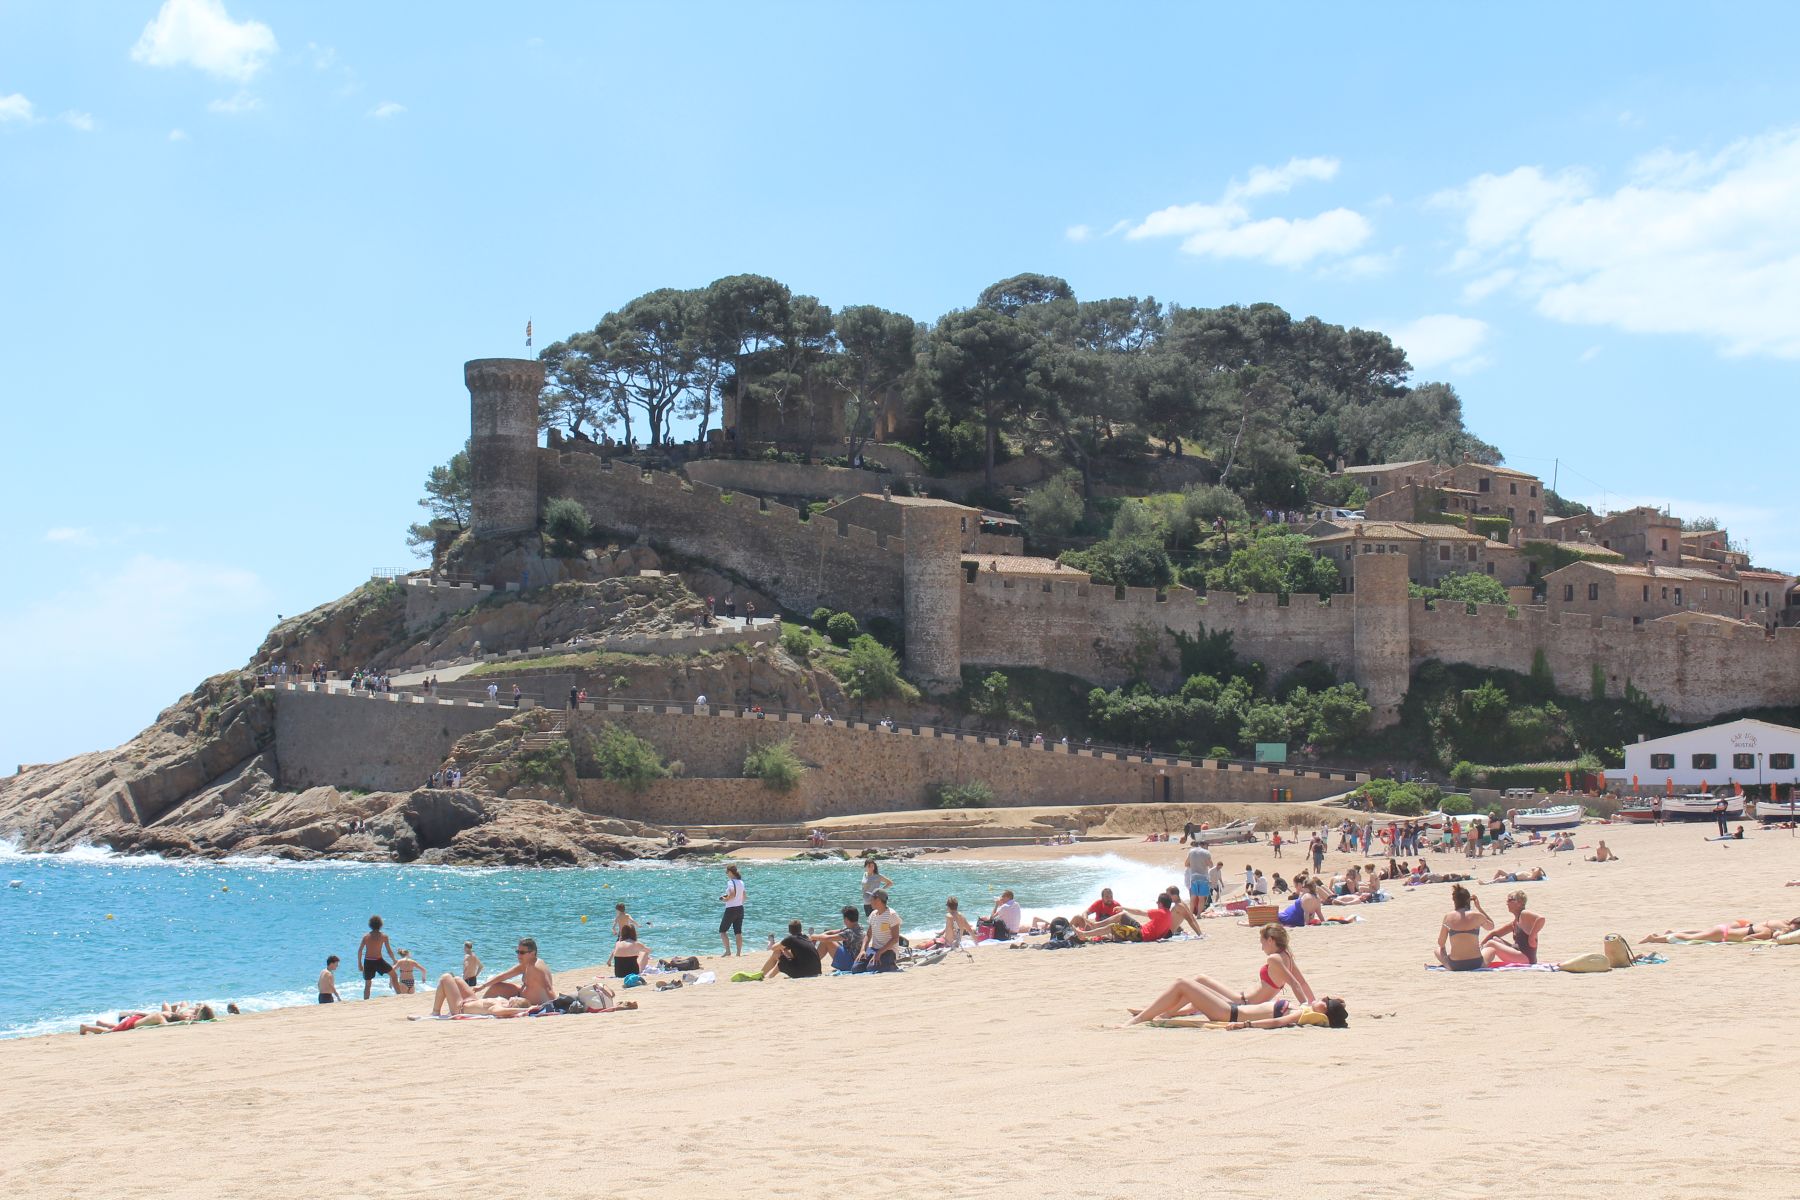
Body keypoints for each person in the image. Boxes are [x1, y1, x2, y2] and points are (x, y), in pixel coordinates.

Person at [1124, 976, 1348, 1028]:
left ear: (1325, 1012)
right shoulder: (1310, 1010)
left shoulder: (1304, 1015)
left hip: (1230, 1014)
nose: (1322, 999)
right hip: (1232, 1009)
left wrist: (1245, 1025)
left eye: (1325, 1002)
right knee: (1191, 986)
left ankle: (1140, 1018)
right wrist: (1337, 1002)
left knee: (1183, 984)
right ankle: (1153, 1012)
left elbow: (1277, 1023)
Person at [468, 937, 556, 1006]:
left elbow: (548, 988)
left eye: (522, 952)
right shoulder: (526, 964)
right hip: (520, 994)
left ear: (532, 953)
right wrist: (482, 986)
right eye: (517, 952)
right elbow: (504, 976)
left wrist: (556, 1006)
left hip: (532, 1003)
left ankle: (478, 1006)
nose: (518, 955)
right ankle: (479, 1005)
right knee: (496, 986)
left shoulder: (537, 967)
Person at [1436, 885, 1495, 971]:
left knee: (1438, 950)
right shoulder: (1477, 916)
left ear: (1454, 900)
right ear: (1468, 900)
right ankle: (1483, 965)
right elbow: (1491, 926)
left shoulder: (1448, 917)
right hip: (1476, 963)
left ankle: (1448, 966)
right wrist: (1479, 908)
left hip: (1456, 964)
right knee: (1491, 950)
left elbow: (1441, 943)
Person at [1481, 890, 1546, 965]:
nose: (1507, 903)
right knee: (1495, 939)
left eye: (1510, 900)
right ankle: (1481, 959)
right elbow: (1494, 934)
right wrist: (1481, 944)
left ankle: (1480, 963)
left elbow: (1541, 919)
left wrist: (1532, 936)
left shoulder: (1523, 914)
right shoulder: (1515, 922)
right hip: (1519, 953)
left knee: (1491, 943)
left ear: (1520, 903)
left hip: (1526, 958)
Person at [1641, 917, 1800, 944]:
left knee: (1698, 933)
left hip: (1735, 927)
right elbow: (1746, 940)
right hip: (1724, 934)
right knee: (1688, 938)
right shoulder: (1768, 932)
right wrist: (1770, 940)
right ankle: (1654, 939)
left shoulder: (1767, 926)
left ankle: (1669, 933)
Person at [853, 890, 902, 973]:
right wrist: (863, 950)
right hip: (874, 949)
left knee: (871, 968)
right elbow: (868, 935)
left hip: (889, 951)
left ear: (878, 900)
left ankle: (891, 964)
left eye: (871, 899)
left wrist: (879, 953)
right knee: (856, 968)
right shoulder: (873, 914)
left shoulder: (892, 915)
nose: (869, 901)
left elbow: (895, 939)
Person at [758, 920, 823, 980]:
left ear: (789, 931)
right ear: (801, 929)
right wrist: (784, 949)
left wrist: (783, 943)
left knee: (777, 953)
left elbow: (773, 948)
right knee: (785, 954)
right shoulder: (806, 938)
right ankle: (770, 976)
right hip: (815, 971)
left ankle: (762, 975)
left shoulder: (791, 939)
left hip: (803, 973)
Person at [812, 906, 864, 970]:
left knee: (826, 942)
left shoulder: (849, 932)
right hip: (852, 957)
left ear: (846, 919)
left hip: (850, 963)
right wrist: (818, 936)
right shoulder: (858, 926)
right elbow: (832, 932)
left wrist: (812, 937)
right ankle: (813, 960)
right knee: (826, 933)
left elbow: (826, 939)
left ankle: (811, 962)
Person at [358, 915, 397, 999]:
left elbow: (360, 951)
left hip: (368, 961)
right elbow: (389, 951)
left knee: (368, 984)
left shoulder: (366, 937)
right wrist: (394, 959)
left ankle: (366, 1002)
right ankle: (400, 995)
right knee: (394, 975)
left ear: (370, 925)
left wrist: (360, 964)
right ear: (380, 925)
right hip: (379, 961)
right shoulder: (384, 936)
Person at [719, 864, 747, 957]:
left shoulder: (731, 882)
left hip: (731, 909)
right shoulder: (741, 882)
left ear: (730, 872)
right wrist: (738, 902)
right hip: (740, 908)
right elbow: (744, 897)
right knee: (738, 931)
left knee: (722, 931)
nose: (727, 874)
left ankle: (728, 951)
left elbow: (732, 894)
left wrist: (725, 899)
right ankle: (738, 953)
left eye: (727, 872)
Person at [1184, 840, 1215, 913]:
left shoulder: (1191, 852)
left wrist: (1194, 865)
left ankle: (1191, 914)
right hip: (1203, 877)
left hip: (1194, 877)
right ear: (1203, 845)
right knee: (1201, 898)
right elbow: (1211, 865)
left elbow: (1186, 864)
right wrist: (1203, 864)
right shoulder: (1206, 853)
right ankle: (1198, 915)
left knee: (1193, 897)